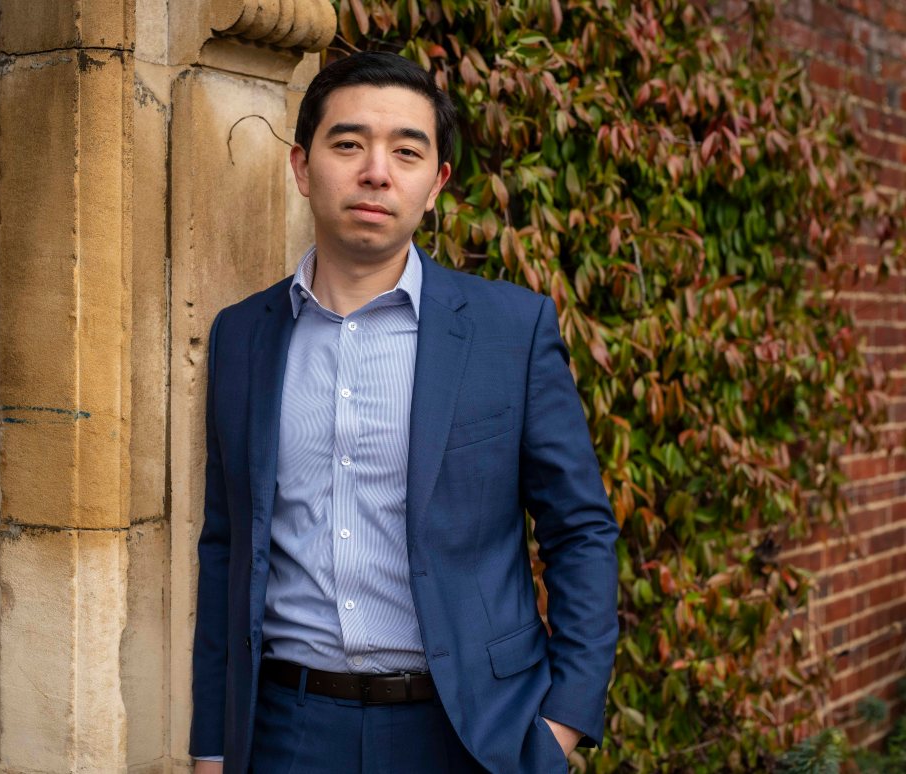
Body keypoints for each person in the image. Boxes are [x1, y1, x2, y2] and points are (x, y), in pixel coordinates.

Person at [189, 51, 618, 774]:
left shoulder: (511, 331)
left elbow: (578, 529)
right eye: (349, 144)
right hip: (285, 733)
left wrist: (563, 722)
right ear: (302, 165)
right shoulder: (242, 335)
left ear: (436, 183)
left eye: (406, 151)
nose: (376, 172)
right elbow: (227, 544)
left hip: (469, 732)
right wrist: (210, 744)